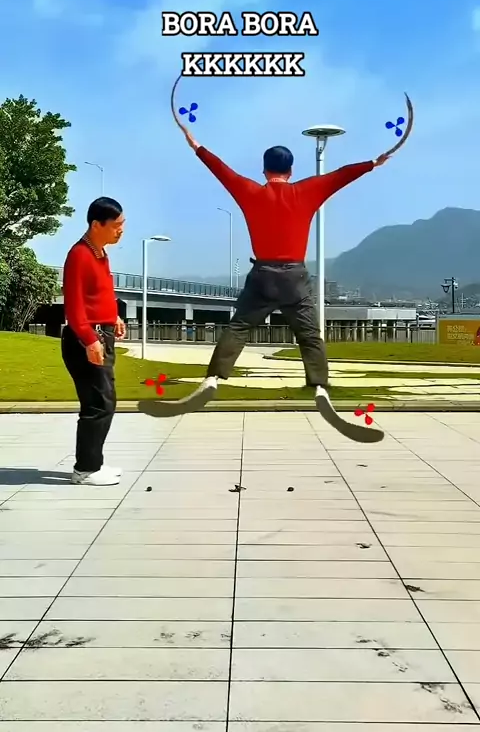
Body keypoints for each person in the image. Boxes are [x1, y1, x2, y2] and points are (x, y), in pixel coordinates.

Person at [139, 131, 388, 442]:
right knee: (309, 334)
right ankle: (319, 386)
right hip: (295, 277)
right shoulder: (307, 190)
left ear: (264, 169)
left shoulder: (250, 192)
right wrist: (372, 163)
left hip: (262, 275)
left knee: (239, 327)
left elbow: (222, 171)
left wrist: (197, 146)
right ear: (291, 170)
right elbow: (340, 176)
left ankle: (213, 379)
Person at [62, 197, 126, 485]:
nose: (121, 230)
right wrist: (90, 340)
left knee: (104, 401)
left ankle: (94, 463)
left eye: (122, 224)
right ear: (96, 224)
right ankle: (85, 469)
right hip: (85, 339)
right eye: (116, 225)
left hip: (101, 333)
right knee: (98, 404)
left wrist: (115, 317)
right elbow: (74, 306)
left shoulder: (100, 253)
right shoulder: (80, 255)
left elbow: (98, 294)